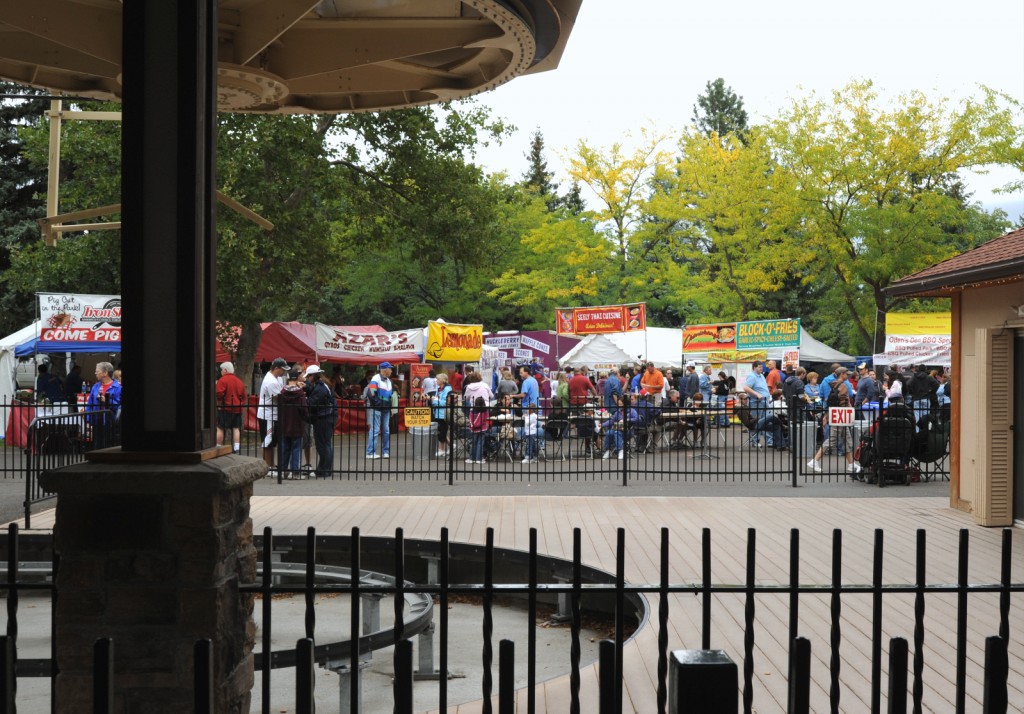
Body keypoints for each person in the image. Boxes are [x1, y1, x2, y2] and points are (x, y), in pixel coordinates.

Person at [807, 382, 862, 474]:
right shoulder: (840, 389)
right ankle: (814, 461)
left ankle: (851, 464)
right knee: (832, 440)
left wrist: (826, 416)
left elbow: (831, 404)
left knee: (847, 440)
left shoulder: (835, 389)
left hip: (841, 415)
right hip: (840, 415)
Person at [257, 357, 289, 476]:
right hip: (268, 415)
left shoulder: (276, 378)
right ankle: (266, 467)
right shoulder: (271, 381)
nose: (284, 372)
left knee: (272, 441)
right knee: (267, 441)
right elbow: (279, 398)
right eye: (283, 369)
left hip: (272, 414)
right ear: (276, 368)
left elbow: (282, 392)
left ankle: (271, 465)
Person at [304, 364, 337, 478]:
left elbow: (312, 403)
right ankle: (324, 468)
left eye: (308, 377)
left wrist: (304, 399)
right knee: (325, 444)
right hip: (327, 416)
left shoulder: (320, 388)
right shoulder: (323, 385)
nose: (307, 379)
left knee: (322, 444)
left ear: (312, 376)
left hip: (323, 418)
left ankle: (324, 469)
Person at [86, 361, 123, 450]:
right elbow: (89, 405)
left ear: (105, 373)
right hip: (97, 422)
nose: (95, 373)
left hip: (111, 423)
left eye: (97, 371)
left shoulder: (118, 388)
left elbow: (119, 406)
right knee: (97, 445)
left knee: (110, 446)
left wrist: (107, 400)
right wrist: (88, 421)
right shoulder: (95, 386)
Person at [277, 378, 309, 478]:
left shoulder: (282, 392)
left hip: (285, 423)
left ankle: (283, 470)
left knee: (285, 448)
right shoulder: (300, 394)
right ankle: (295, 472)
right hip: (297, 423)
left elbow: (279, 406)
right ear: (296, 380)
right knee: (296, 449)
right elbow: (304, 409)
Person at [365, 361, 394, 459]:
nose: (391, 370)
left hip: (384, 408)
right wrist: (379, 403)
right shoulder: (376, 379)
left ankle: (385, 451)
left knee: (385, 430)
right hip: (378, 408)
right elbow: (371, 393)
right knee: (376, 430)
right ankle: (370, 452)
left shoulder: (388, 381)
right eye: (390, 368)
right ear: (385, 370)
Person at [215, 361, 246, 454]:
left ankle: (218, 447)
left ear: (225, 370)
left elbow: (219, 393)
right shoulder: (239, 381)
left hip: (225, 408)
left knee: (220, 428)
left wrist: (220, 403)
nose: (220, 372)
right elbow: (244, 396)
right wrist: (240, 404)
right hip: (237, 409)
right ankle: (236, 448)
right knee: (236, 428)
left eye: (221, 370)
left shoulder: (222, 380)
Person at [741, 361, 771, 447]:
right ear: (754, 367)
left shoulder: (761, 375)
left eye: (762, 367)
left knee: (766, 421)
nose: (761, 368)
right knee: (756, 422)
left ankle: (769, 441)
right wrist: (757, 394)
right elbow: (746, 387)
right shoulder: (752, 376)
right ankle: (754, 441)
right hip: (757, 402)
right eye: (759, 367)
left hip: (764, 401)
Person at [599, 394, 638, 460]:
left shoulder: (632, 411)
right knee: (609, 432)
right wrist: (602, 425)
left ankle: (620, 450)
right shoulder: (618, 412)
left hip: (628, 431)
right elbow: (611, 421)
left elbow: (637, 419)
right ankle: (608, 450)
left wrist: (627, 419)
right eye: (619, 404)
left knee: (617, 433)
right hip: (618, 429)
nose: (619, 406)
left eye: (620, 404)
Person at [431, 372, 453, 458]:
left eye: (438, 379)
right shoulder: (439, 389)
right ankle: (450, 445)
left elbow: (445, 402)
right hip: (438, 412)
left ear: (442, 380)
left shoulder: (447, 389)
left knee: (442, 431)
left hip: (443, 413)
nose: (436, 381)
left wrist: (434, 401)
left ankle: (442, 450)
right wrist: (435, 401)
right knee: (440, 431)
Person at [467, 396, 491, 464]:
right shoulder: (485, 410)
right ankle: (479, 458)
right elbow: (486, 419)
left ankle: (472, 458)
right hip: (482, 428)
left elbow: (470, 419)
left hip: (473, 428)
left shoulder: (472, 410)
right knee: (480, 443)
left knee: (473, 443)